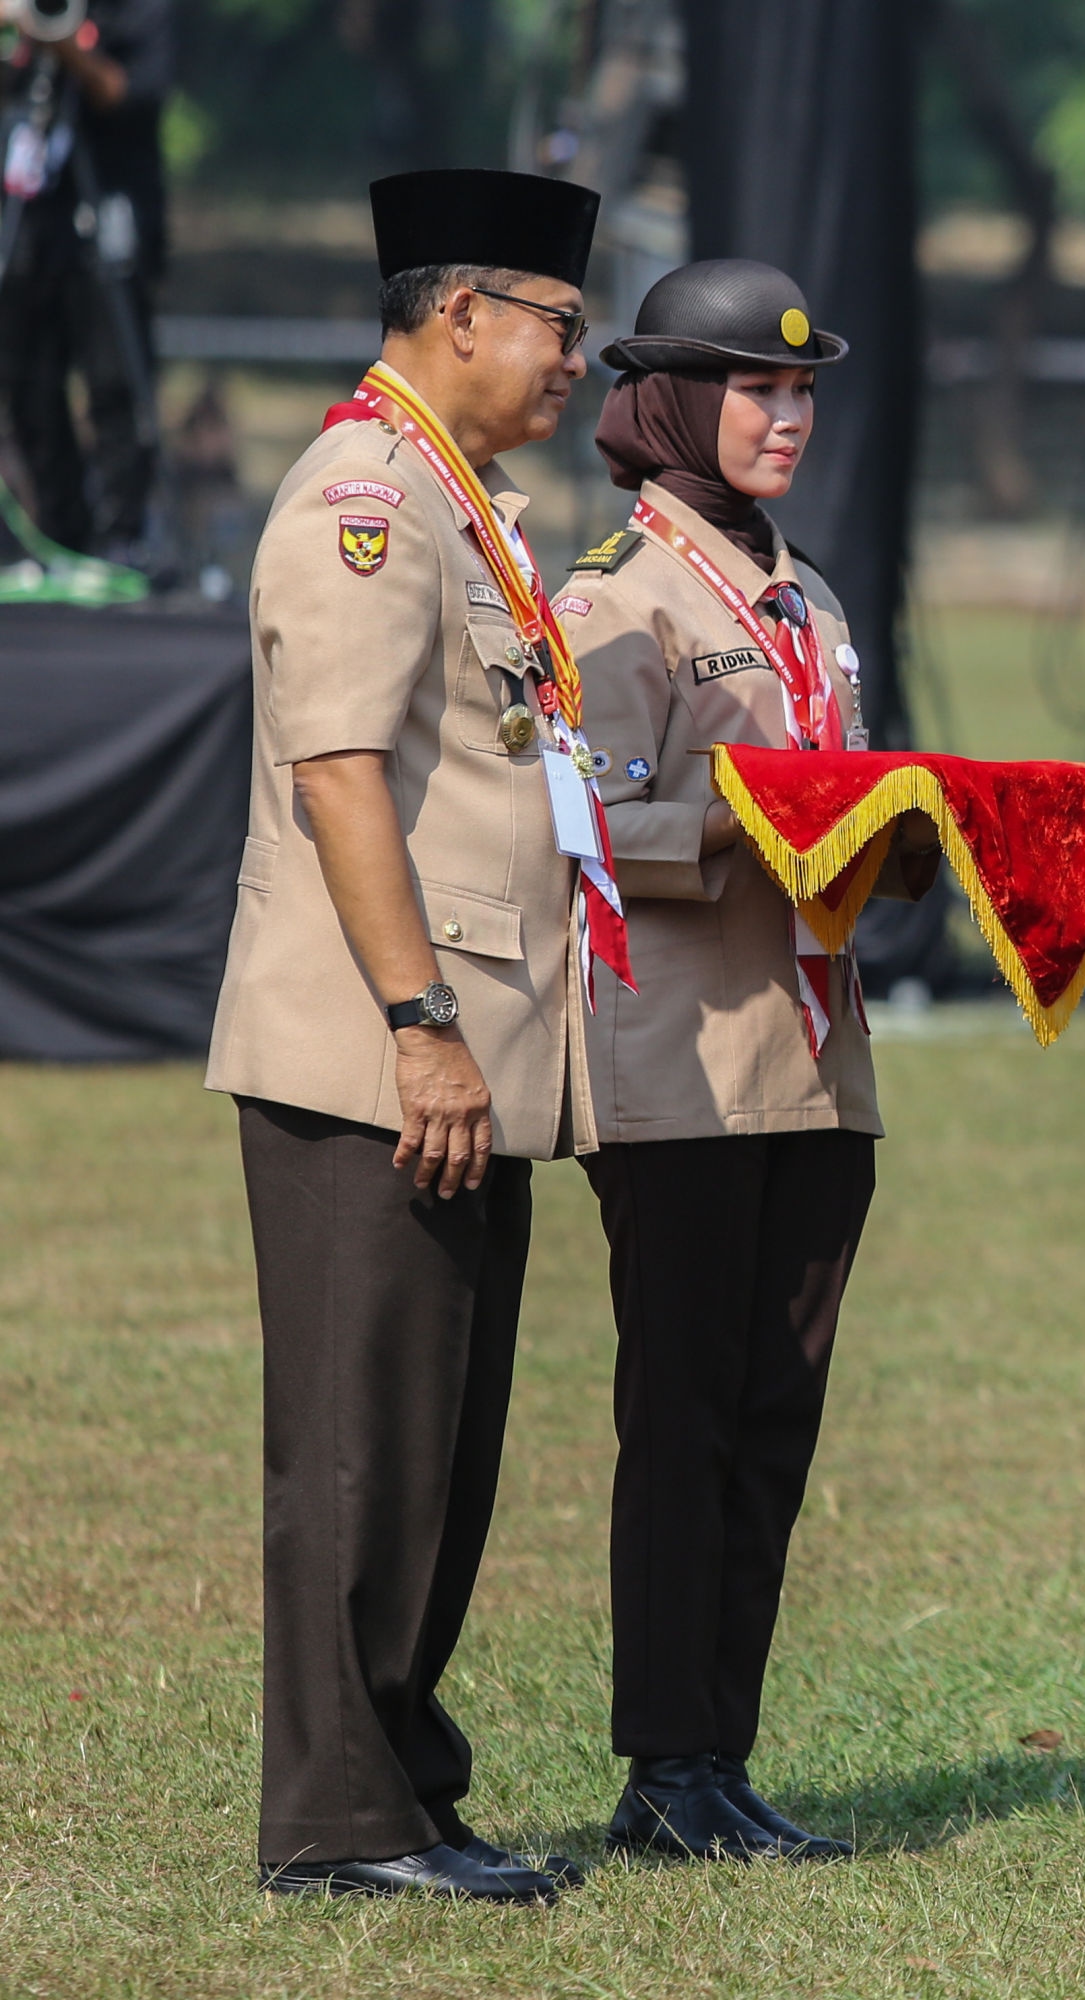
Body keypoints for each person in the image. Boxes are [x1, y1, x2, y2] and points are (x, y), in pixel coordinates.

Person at [206, 167, 603, 1905]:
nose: (574, 358)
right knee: (365, 1444)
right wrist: (421, 1022)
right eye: (559, 323)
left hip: (464, 1052)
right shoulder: (367, 500)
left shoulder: (466, 502)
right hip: (386, 1053)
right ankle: (340, 1818)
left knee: (439, 1441)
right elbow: (342, 772)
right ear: (462, 315)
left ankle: (404, 1781)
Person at [559, 258, 934, 1864]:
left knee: (777, 1415)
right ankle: (663, 1762)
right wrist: (753, 819)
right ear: (666, 405)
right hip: (677, 1066)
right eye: (754, 388)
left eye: (801, 391)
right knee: (686, 1412)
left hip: (812, 1060)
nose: (787, 415)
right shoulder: (611, 600)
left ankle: (724, 1755)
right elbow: (581, 820)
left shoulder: (813, 597)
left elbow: (838, 803)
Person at [0, 0, 171, 565]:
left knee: (114, 380)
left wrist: (65, 46)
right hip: (29, 226)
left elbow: (132, 94)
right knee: (27, 382)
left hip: (109, 219)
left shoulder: (136, 12)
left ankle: (120, 537)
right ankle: (59, 534)